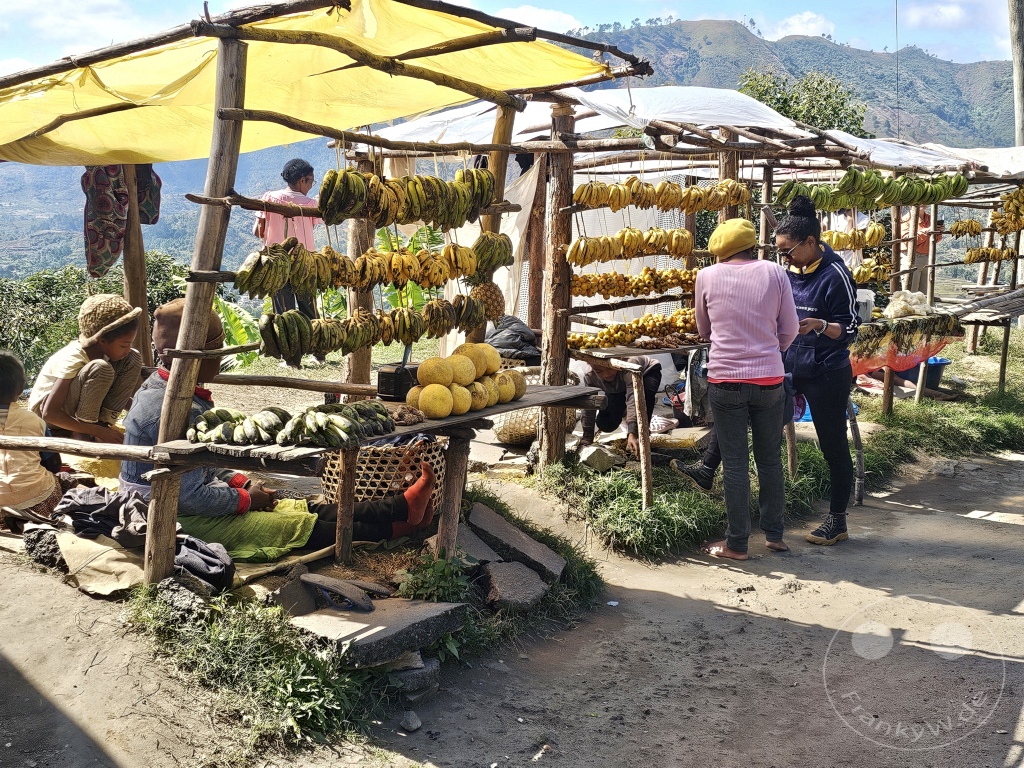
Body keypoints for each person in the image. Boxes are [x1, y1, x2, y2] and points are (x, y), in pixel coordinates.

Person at [119, 299, 432, 562]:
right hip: (166, 513)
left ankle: (399, 507)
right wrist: (246, 500)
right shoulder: (173, 408)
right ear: (191, 356)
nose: (222, 356)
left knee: (296, 506)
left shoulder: (172, 390)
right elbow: (188, 496)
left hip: (184, 496)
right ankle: (397, 528)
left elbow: (200, 465)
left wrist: (244, 483)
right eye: (217, 350)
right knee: (289, 526)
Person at [691, 219, 799, 560]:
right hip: (770, 380)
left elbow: (703, 329)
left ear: (719, 252)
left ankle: (737, 544)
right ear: (752, 245)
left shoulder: (706, 276)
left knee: (735, 464)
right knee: (770, 459)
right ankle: (775, 535)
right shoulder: (775, 272)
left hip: (726, 381)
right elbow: (791, 328)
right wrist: (771, 352)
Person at [776, 195, 861, 546]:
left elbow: (852, 328)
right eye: (780, 252)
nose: (785, 258)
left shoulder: (837, 275)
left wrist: (821, 324)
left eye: (789, 250)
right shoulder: (788, 271)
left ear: (811, 242)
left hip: (827, 373)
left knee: (832, 445)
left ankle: (837, 520)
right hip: (790, 366)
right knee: (754, 419)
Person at [28, 294, 143, 444]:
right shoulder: (74, 358)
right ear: (101, 340)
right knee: (101, 368)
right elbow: (49, 413)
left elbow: (114, 394)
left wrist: (139, 411)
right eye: (123, 345)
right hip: (49, 418)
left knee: (133, 357)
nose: (127, 349)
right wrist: (97, 431)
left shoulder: (104, 352)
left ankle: (102, 423)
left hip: (74, 412)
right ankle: (84, 431)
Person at [0, 351, 78, 524]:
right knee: (64, 479)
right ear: (21, 388)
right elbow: (54, 464)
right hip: (37, 503)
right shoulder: (34, 421)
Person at [254, 158, 323, 318]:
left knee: (284, 315)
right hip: (305, 264)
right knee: (310, 313)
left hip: (278, 264)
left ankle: (287, 342)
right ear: (302, 180)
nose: (312, 185)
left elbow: (258, 231)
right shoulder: (311, 204)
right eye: (311, 181)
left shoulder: (269, 198)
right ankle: (312, 341)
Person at [579, 356, 661, 458]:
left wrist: (632, 432)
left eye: (609, 368)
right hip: (618, 385)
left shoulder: (629, 366)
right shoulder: (590, 375)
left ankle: (642, 437)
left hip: (646, 374)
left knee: (644, 399)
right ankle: (627, 414)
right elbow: (589, 405)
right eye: (599, 371)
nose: (606, 374)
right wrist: (587, 437)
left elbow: (634, 399)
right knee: (605, 424)